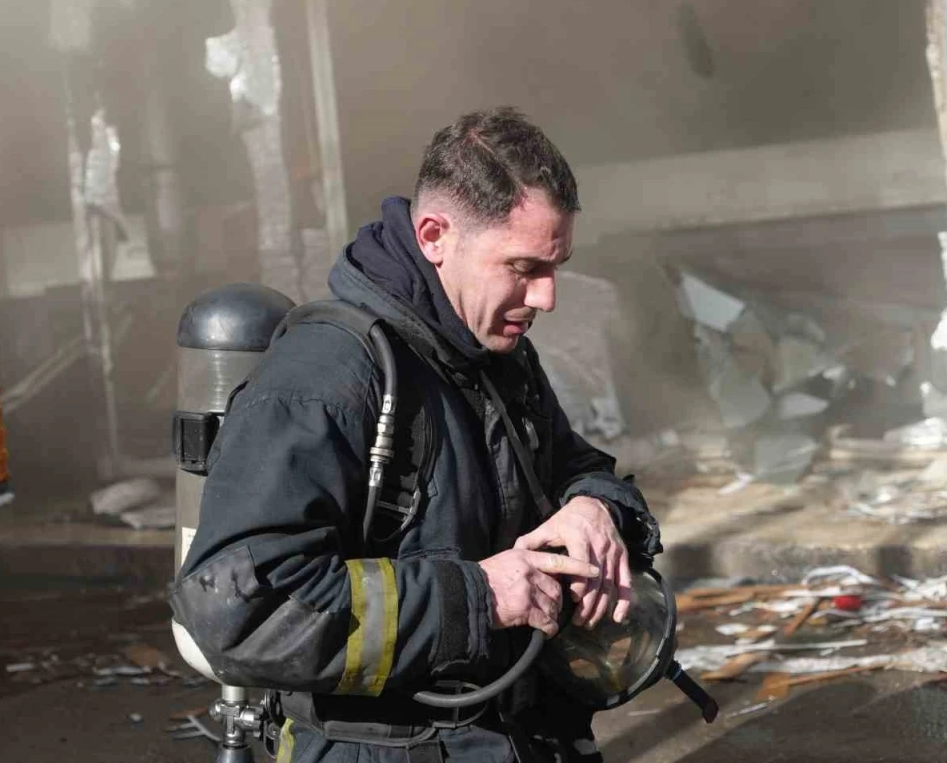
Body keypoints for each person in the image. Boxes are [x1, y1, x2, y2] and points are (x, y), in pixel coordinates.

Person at [172, 107, 662, 763]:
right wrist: (478, 598)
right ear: (434, 236)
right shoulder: (324, 378)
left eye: (556, 267)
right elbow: (243, 612)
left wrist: (595, 506)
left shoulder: (495, 353)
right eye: (523, 267)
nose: (546, 297)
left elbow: (571, 463)